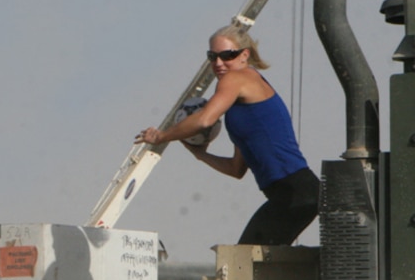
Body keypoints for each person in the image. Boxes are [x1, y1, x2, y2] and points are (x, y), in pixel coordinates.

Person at [136, 25, 319, 245]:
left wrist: (161, 136)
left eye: (227, 56)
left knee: (241, 262)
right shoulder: (238, 114)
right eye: (212, 57)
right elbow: (236, 169)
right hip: (295, 194)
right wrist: (201, 154)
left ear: (244, 55)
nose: (219, 63)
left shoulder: (238, 78)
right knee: (252, 264)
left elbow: (205, 119)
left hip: (295, 191)